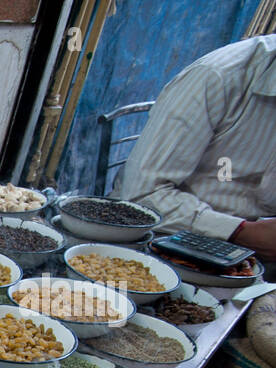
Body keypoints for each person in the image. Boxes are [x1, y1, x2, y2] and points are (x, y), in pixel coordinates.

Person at [116, 34, 276, 262]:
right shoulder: (218, 77)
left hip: (255, 261)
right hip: (166, 243)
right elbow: (143, 195)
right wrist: (240, 231)